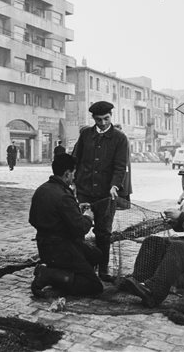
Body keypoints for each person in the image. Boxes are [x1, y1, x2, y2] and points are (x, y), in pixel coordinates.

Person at [124, 163, 184, 307]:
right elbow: (183, 226)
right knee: (152, 241)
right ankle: (138, 283)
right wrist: (174, 222)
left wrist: (182, 216)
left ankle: (154, 292)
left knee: (178, 247)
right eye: (183, 180)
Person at [29, 153, 103, 298]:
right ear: (67, 174)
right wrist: (88, 217)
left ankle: (60, 273)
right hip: (61, 249)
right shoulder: (63, 195)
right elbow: (80, 228)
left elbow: (34, 219)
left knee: (96, 255)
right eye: (73, 174)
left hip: (44, 246)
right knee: (94, 286)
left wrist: (75, 210)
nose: (74, 177)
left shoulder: (42, 189)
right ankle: (48, 275)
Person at [73, 101, 128, 282]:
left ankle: (103, 270)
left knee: (103, 233)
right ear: (93, 119)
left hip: (106, 195)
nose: (103, 123)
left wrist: (114, 186)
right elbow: (76, 159)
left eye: (106, 119)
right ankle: (82, 267)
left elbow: (120, 167)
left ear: (111, 116)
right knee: (78, 229)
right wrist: (72, 181)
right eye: (98, 119)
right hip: (84, 191)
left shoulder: (120, 138)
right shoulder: (86, 135)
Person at [113, 124, 132, 203]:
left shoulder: (123, 139)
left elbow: (125, 154)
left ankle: (124, 203)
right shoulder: (120, 138)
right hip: (122, 164)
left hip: (124, 165)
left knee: (124, 184)